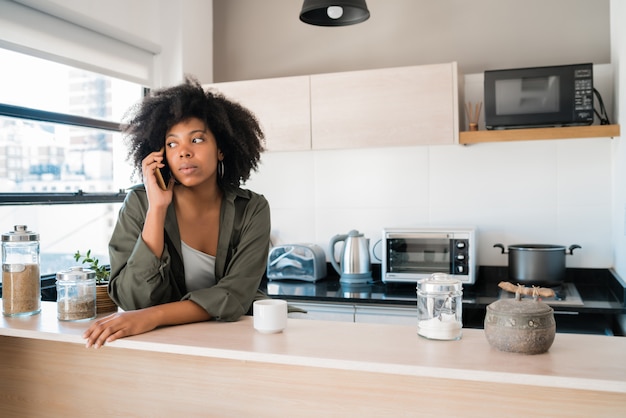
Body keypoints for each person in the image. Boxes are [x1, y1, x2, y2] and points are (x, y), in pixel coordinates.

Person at [83, 76, 270, 348]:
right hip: (167, 342)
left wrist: (153, 316)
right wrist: (157, 209)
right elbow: (133, 300)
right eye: (172, 144)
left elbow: (235, 295)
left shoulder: (252, 208)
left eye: (197, 140)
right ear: (160, 154)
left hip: (242, 334)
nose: (184, 152)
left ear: (220, 149)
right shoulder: (140, 203)